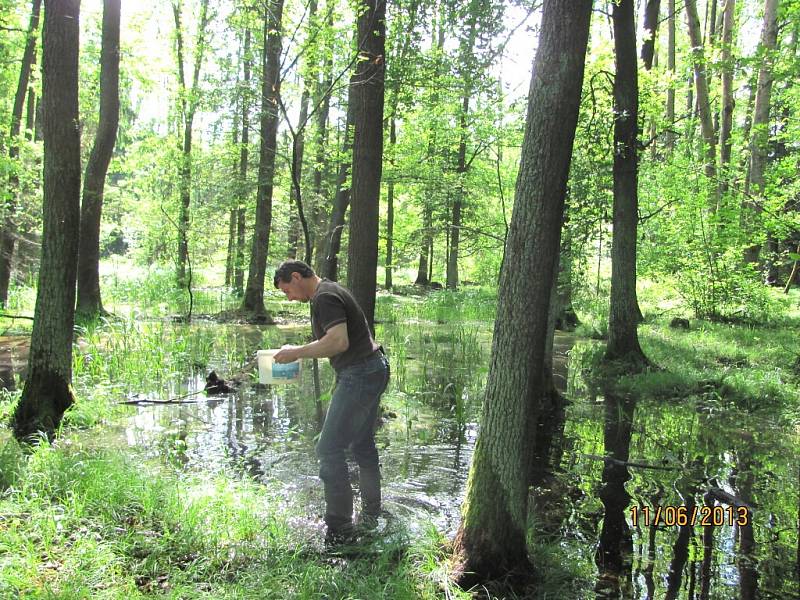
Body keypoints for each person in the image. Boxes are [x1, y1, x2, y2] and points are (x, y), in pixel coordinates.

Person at [272, 260, 390, 544]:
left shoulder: (324, 297)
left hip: (361, 373)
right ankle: (372, 514)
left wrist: (296, 352)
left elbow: (339, 342)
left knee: (328, 447)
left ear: (297, 277)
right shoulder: (330, 289)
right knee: (362, 444)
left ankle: (339, 529)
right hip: (373, 367)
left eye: (287, 290)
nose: (289, 298)